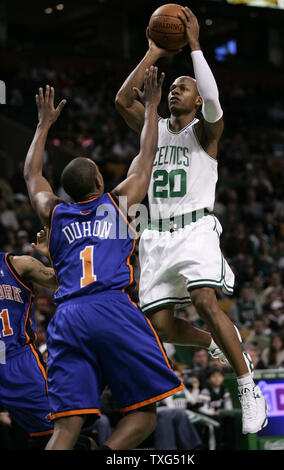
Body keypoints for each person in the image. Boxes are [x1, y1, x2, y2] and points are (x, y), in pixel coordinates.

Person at [115, 6, 266, 434]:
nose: (176, 91)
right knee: (161, 326)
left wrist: (196, 45)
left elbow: (216, 101)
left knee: (203, 300)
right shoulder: (154, 130)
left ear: (198, 99)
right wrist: (153, 52)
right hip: (156, 236)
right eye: (174, 87)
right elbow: (122, 100)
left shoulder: (205, 132)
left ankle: (247, 385)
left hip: (196, 227)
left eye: (185, 87)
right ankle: (218, 342)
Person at [23, 69, 184, 451]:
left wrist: (43, 125)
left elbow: (32, 174)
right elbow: (147, 156)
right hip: (111, 307)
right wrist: (150, 108)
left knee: (67, 428)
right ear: (99, 183)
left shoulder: (54, 213)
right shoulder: (118, 205)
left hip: (66, 318)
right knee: (144, 415)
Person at [0, 250, 56, 444]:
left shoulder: (16, 264)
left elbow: (64, 281)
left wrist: (51, 254)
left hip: (17, 358)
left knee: (55, 434)